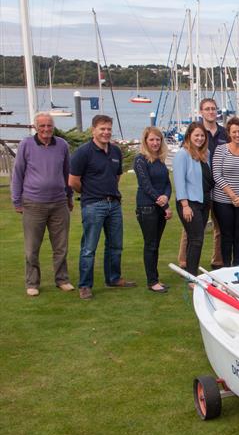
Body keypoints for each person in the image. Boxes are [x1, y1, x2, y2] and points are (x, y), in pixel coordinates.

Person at [69, 114, 135, 300]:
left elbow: (116, 176)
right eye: (102, 129)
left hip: (113, 204)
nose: (106, 132)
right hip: (93, 205)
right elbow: (73, 181)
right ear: (93, 130)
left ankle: (113, 278)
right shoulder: (83, 152)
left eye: (108, 129)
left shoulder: (115, 152)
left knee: (115, 245)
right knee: (89, 248)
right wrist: (90, 191)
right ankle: (85, 285)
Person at [11, 112, 74, 296]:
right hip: (33, 203)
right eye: (42, 126)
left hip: (59, 203)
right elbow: (18, 173)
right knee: (32, 247)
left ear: (53, 127)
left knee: (61, 246)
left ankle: (62, 279)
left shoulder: (62, 145)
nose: (46, 129)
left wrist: (69, 196)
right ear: (35, 127)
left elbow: (67, 172)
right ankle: (32, 283)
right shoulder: (26, 145)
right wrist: (16, 200)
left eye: (49, 126)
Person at [179, 97, 226, 270]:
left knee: (219, 226)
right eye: (207, 109)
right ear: (201, 112)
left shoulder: (224, 133)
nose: (211, 111)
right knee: (191, 228)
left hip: (218, 187)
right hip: (195, 190)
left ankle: (218, 260)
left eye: (213, 108)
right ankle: (185, 261)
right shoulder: (195, 132)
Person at [212, 117, 239, 267]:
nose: (237, 134)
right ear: (229, 133)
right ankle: (226, 267)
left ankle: (238, 266)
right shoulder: (221, 150)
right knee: (226, 235)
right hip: (223, 201)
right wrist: (232, 196)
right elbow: (217, 174)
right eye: (234, 132)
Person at [133, 127, 172, 293]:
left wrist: (166, 197)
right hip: (147, 207)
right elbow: (145, 185)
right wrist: (163, 203)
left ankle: (155, 278)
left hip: (159, 207)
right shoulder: (140, 160)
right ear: (145, 141)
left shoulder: (160, 160)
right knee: (150, 244)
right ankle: (152, 281)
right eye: (152, 140)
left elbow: (167, 183)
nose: (155, 143)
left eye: (158, 140)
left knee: (155, 244)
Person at [173, 122, 212, 277]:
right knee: (197, 239)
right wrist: (185, 205)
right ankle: (192, 276)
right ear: (189, 136)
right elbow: (179, 181)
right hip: (189, 203)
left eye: (202, 135)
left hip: (204, 201)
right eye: (196, 135)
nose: (200, 138)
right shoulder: (182, 154)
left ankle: (189, 271)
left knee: (194, 238)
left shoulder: (205, 154)